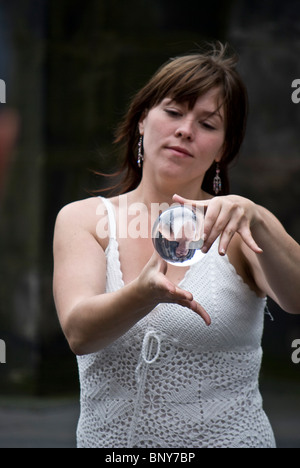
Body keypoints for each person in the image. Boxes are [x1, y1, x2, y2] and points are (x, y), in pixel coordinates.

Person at [53, 42, 300, 448]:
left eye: (208, 124)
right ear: (141, 121)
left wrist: (257, 218)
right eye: (173, 111)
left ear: (224, 148)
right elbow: (79, 332)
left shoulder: (243, 223)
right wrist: (142, 294)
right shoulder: (83, 219)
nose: (186, 129)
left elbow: (296, 297)